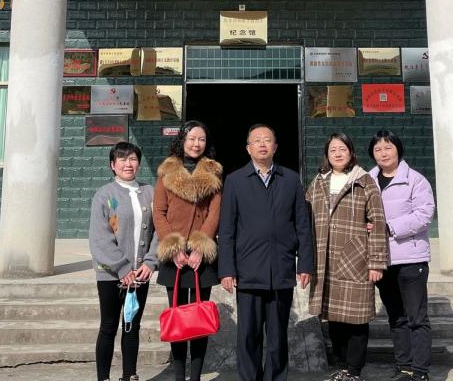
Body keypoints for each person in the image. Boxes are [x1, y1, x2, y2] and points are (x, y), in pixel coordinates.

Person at [218, 123, 315, 381]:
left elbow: (302, 226)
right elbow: (226, 230)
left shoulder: (291, 180)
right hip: (248, 271)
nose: (262, 144)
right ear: (248, 148)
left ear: (275, 146)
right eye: (257, 140)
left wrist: (305, 264)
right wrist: (226, 269)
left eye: (267, 139)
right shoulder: (235, 181)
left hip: (281, 269)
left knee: (277, 336)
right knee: (248, 335)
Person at [306, 132, 388, 381]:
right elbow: (303, 218)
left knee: (356, 320)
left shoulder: (364, 181)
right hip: (325, 262)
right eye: (333, 150)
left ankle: (354, 370)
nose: (338, 154)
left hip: (355, 260)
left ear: (351, 152)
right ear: (327, 155)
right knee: (334, 319)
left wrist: (376, 262)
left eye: (342, 149)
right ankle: (341, 366)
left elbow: (378, 222)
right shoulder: (318, 182)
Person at [153, 120, 224, 381]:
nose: (196, 144)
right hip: (175, 256)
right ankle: (179, 375)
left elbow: (215, 213)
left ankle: (195, 376)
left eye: (201, 139)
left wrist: (200, 248)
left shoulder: (213, 172)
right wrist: (174, 248)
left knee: (199, 320)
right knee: (178, 318)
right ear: (182, 141)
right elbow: (159, 212)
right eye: (192, 138)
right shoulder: (166, 172)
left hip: (200, 257)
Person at [368, 130, 436, 381]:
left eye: (388, 147)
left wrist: (389, 227)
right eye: (378, 149)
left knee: (417, 317)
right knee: (396, 317)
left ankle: (420, 371)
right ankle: (404, 367)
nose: (383, 153)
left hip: (411, 259)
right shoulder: (367, 180)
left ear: (398, 149)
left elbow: (424, 214)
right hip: (382, 260)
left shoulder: (415, 180)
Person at [89, 142, 159, 381]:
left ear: (139, 163)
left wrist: (151, 262)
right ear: (112, 165)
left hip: (140, 274)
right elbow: (100, 238)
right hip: (111, 275)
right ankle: (104, 378)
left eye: (132, 159)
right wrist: (122, 268)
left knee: (132, 326)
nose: (128, 164)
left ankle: (130, 375)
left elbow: (160, 231)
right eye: (122, 159)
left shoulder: (150, 192)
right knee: (108, 327)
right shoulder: (105, 195)